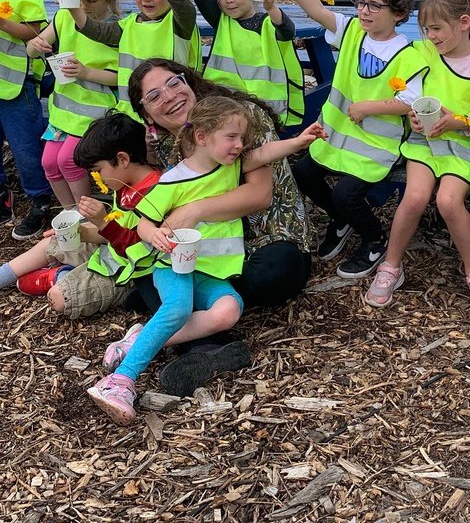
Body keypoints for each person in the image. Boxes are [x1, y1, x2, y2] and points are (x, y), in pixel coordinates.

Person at [87, 96, 323, 424]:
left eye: (241, 138)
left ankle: (140, 339)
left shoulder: (228, 165)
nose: (239, 145)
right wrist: (152, 234)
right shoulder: (172, 181)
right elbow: (140, 219)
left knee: (229, 310)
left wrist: (299, 140)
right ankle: (120, 380)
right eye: (232, 137)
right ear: (202, 137)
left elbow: (263, 154)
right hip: (174, 265)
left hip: (208, 269)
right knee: (178, 309)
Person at [126, 57, 315, 395]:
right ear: (147, 115)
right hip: (212, 249)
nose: (168, 96)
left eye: (173, 83)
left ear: (189, 82)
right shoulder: (171, 146)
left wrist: (195, 210)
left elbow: (258, 195)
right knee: (148, 261)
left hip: (266, 237)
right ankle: (207, 348)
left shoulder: (238, 117)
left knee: (275, 272)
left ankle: (169, 337)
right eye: (153, 97)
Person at [266, 0, 427, 279]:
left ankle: (374, 238)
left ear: (398, 13)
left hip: (376, 148)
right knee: (304, 173)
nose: (364, 11)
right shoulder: (353, 31)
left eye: (374, 5)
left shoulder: (409, 55)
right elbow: (315, 10)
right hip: (336, 136)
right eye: (361, 3)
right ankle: (341, 221)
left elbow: (412, 102)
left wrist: (370, 107)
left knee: (345, 193)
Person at [365, 0, 470, 314]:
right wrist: (413, 116)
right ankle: (391, 265)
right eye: (426, 29)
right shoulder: (425, 53)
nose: (431, 36)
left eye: (437, 28)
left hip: (465, 143)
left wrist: (456, 122)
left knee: (448, 200)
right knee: (413, 197)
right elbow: (411, 96)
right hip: (426, 140)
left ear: (464, 23)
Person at [0, 111, 160, 317]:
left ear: (122, 159)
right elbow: (113, 231)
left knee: (60, 298)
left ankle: (59, 275)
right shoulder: (124, 183)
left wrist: (102, 222)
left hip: (131, 273)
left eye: (97, 170)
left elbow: (139, 248)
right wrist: (82, 232)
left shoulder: (156, 192)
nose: (96, 177)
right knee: (52, 242)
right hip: (111, 252)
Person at [26, 0, 121, 220]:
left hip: (97, 115)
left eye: (91, 1)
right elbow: (33, 47)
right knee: (48, 162)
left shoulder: (116, 29)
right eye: (78, 1)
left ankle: (84, 213)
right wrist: (36, 46)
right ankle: (69, 213)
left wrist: (86, 72)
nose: (84, 7)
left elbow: (121, 76)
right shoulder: (63, 18)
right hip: (63, 111)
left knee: (68, 160)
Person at [71, 0, 199, 119]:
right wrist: (74, 9)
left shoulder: (179, 23)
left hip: (168, 112)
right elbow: (98, 32)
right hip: (131, 114)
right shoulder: (129, 25)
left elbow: (185, 8)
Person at [194, 0, 304, 126]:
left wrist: (271, 8)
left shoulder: (266, 22)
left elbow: (287, 31)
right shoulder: (222, 20)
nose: (228, 0)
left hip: (263, 110)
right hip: (224, 105)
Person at [0, 0, 54, 241]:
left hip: (17, 81)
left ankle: (40, 200)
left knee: (25, 146)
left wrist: (3, 23)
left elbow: (35, 30)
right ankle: (3, 198)